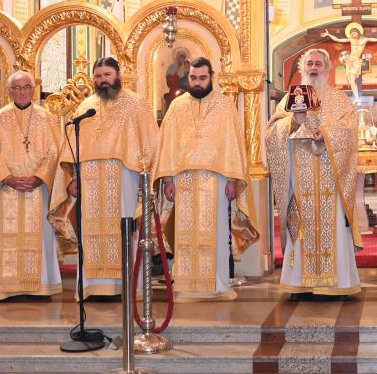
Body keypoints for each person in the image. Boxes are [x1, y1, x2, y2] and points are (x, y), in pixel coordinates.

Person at [52, 57, 158, 298]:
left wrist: (146, 176)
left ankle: (127, 287)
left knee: (124, 229)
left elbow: (152, 141)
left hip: (125, 177)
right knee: (92, 231)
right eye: (99, 76)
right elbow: (73, 145)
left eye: (107, 74)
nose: (103, 80)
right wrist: (74, 177)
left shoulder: (136, 104)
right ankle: (94, 286)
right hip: (90, 180)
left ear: (117, 75)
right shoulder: (86, 106)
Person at [154, 58, 258, 301]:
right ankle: (186, 285)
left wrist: (232, 179)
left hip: (217, 179)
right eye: (193, 78)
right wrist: (167, 180)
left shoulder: (224, 106)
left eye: (202, 78)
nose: (198, 83)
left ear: (212, 77)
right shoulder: (177, 106)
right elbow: (167, 144)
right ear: (188, 78)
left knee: (216, 234)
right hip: (183, 180)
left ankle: (218, 286)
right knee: (185, 234)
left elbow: (233, 144)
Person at [265, 48, 361, 298]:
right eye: (309, 63)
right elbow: (271, 132)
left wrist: (326, 134)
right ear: (302, 69)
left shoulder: (340, 100)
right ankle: (300, 284)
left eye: (319, 63)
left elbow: (350, 131)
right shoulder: (290, 98)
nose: (313, 68)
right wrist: (292, 122)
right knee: (301, 224)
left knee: (334, 225)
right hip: (300, 175)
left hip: (331, 174)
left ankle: (337, 285)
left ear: (327, 69)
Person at [0, 72, 64, 300]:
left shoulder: (46, 118)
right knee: (4, 240)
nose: (22, 91)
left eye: (26, 87)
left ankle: (40, 287)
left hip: (38, 190)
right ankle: (3, 289)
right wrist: (7, 177)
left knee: (37, 238)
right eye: (17, 87)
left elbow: (55, 151)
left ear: (33, 90)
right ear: (9, 91)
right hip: (5, 190)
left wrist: (39, 176)